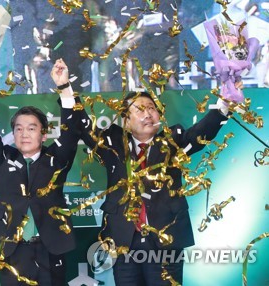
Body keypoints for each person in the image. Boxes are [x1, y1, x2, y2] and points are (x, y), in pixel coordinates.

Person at [77, 83, 240, 285]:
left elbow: (201, 133)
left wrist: (224, 103)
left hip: (166, 240)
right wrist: (65, 88)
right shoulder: (113, 143)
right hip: (124, 241)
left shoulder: (173, 140)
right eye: (139, 109)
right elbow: (84, 127)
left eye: (151, 108)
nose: (148, 113)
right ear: (126, 121)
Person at [0, 58, 81, 285]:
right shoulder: (1, 158)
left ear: (44, 135)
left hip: (50, 247)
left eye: (32, 128)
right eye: (19, 129)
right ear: (13, 134)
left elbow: (71, 131)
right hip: (11, 250)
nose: (24, 134)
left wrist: (64, 88)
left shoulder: (56, 158)